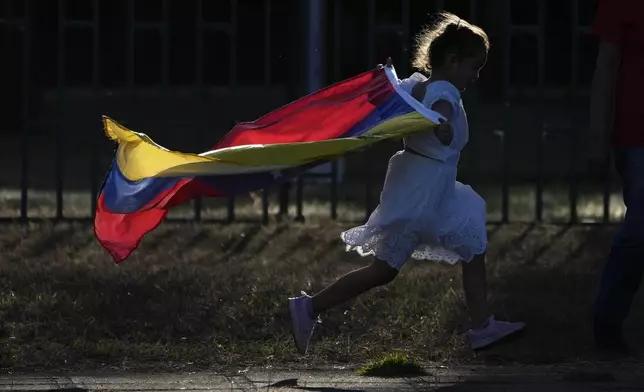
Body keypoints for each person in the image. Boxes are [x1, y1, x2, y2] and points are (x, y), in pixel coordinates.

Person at [287, 12, 525, 355]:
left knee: (383, 271)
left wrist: (389, 85)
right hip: (429, 195)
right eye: (474, 67)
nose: (476, 76)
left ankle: (309, 308)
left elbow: (398, 102)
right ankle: (482, 326)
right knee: (472, 246)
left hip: (416, 187)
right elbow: (441, 108)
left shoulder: (417, 86)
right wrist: (441, 123)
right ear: (453, 61)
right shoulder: (446, 92)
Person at [590, 0, 644, 356]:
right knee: (640, 229)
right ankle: (607, 320)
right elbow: (606, 66)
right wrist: (599, 139)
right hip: (637, 134)